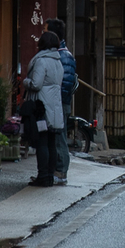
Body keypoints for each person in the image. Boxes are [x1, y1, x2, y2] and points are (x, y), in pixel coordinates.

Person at [22, 31, 64, 187]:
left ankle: (43, 176)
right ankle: (50, 176)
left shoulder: (41, 61)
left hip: (41, 107)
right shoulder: (58, 61)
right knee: (51, 142)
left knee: (42, 142)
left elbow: (36, 84)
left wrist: (26, 82)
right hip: (55, 106)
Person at [45, 18, 78, 185]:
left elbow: (64, 84)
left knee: (60, 138)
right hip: (58, 102)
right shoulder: (61, 54)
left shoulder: (63, 56)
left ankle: (61, 171)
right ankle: (56, 170)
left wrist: (56, 100)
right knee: (56, 137)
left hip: (60, 103)